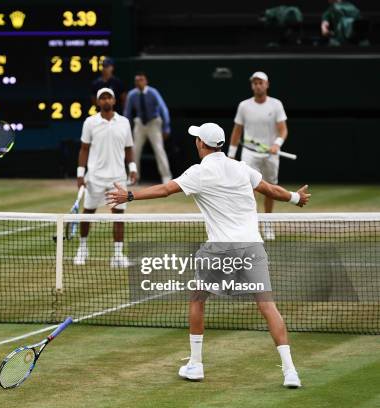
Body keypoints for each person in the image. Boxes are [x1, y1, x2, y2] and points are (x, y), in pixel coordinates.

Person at [107, 122, 310, 388]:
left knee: (197, 299)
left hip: (219, 249)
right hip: (252, 246)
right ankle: (290, 371)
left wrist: (129, 195)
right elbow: (271, 190)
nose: (196, 142)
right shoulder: (240, 167)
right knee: (267, 305)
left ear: (202, 144)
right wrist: (295, 198)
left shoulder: (198, 172)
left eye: (197, 139)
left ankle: (196, 365)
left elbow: (166, 190)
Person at [75, 87, 137, 268]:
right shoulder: (89, 122)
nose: (106, 101)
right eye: (102, 98)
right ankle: (83, 249)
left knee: (118, 215)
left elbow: (128, 148)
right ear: (98, 102)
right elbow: (84, 149)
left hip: (118, 178)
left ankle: (117, 255)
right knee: (88, 213)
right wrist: (80, 174)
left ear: (114, 101)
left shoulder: (124, 122)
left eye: (109, 97)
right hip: (95, 177)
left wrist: (132, 168)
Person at [228, 71, 288, 240]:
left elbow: (283, 130)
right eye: (254, 83)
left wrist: (277, 144)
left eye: (260, 82)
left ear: (266, 85)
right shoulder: (244, 106)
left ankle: (267, 223)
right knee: (249, 189)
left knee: (270, 189)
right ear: (252, 86)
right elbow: (237, 131)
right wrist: (231, 155)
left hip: (270, 154)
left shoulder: (276, 105)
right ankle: (251, 225)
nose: (257, 85)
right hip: (249, 153)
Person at [124, 72, 173, 184]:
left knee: (159, 150)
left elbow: (163, 109)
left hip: (154, 123)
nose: (138, 82)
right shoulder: (132, 94)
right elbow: (127, 112)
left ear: (146, 81)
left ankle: (166, 177)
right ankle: (133, 177)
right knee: (134, 151)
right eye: (136, 80)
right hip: (140, 123)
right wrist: (126, 129)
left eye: (141, 80)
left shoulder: (153, 92)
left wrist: (166, 128)